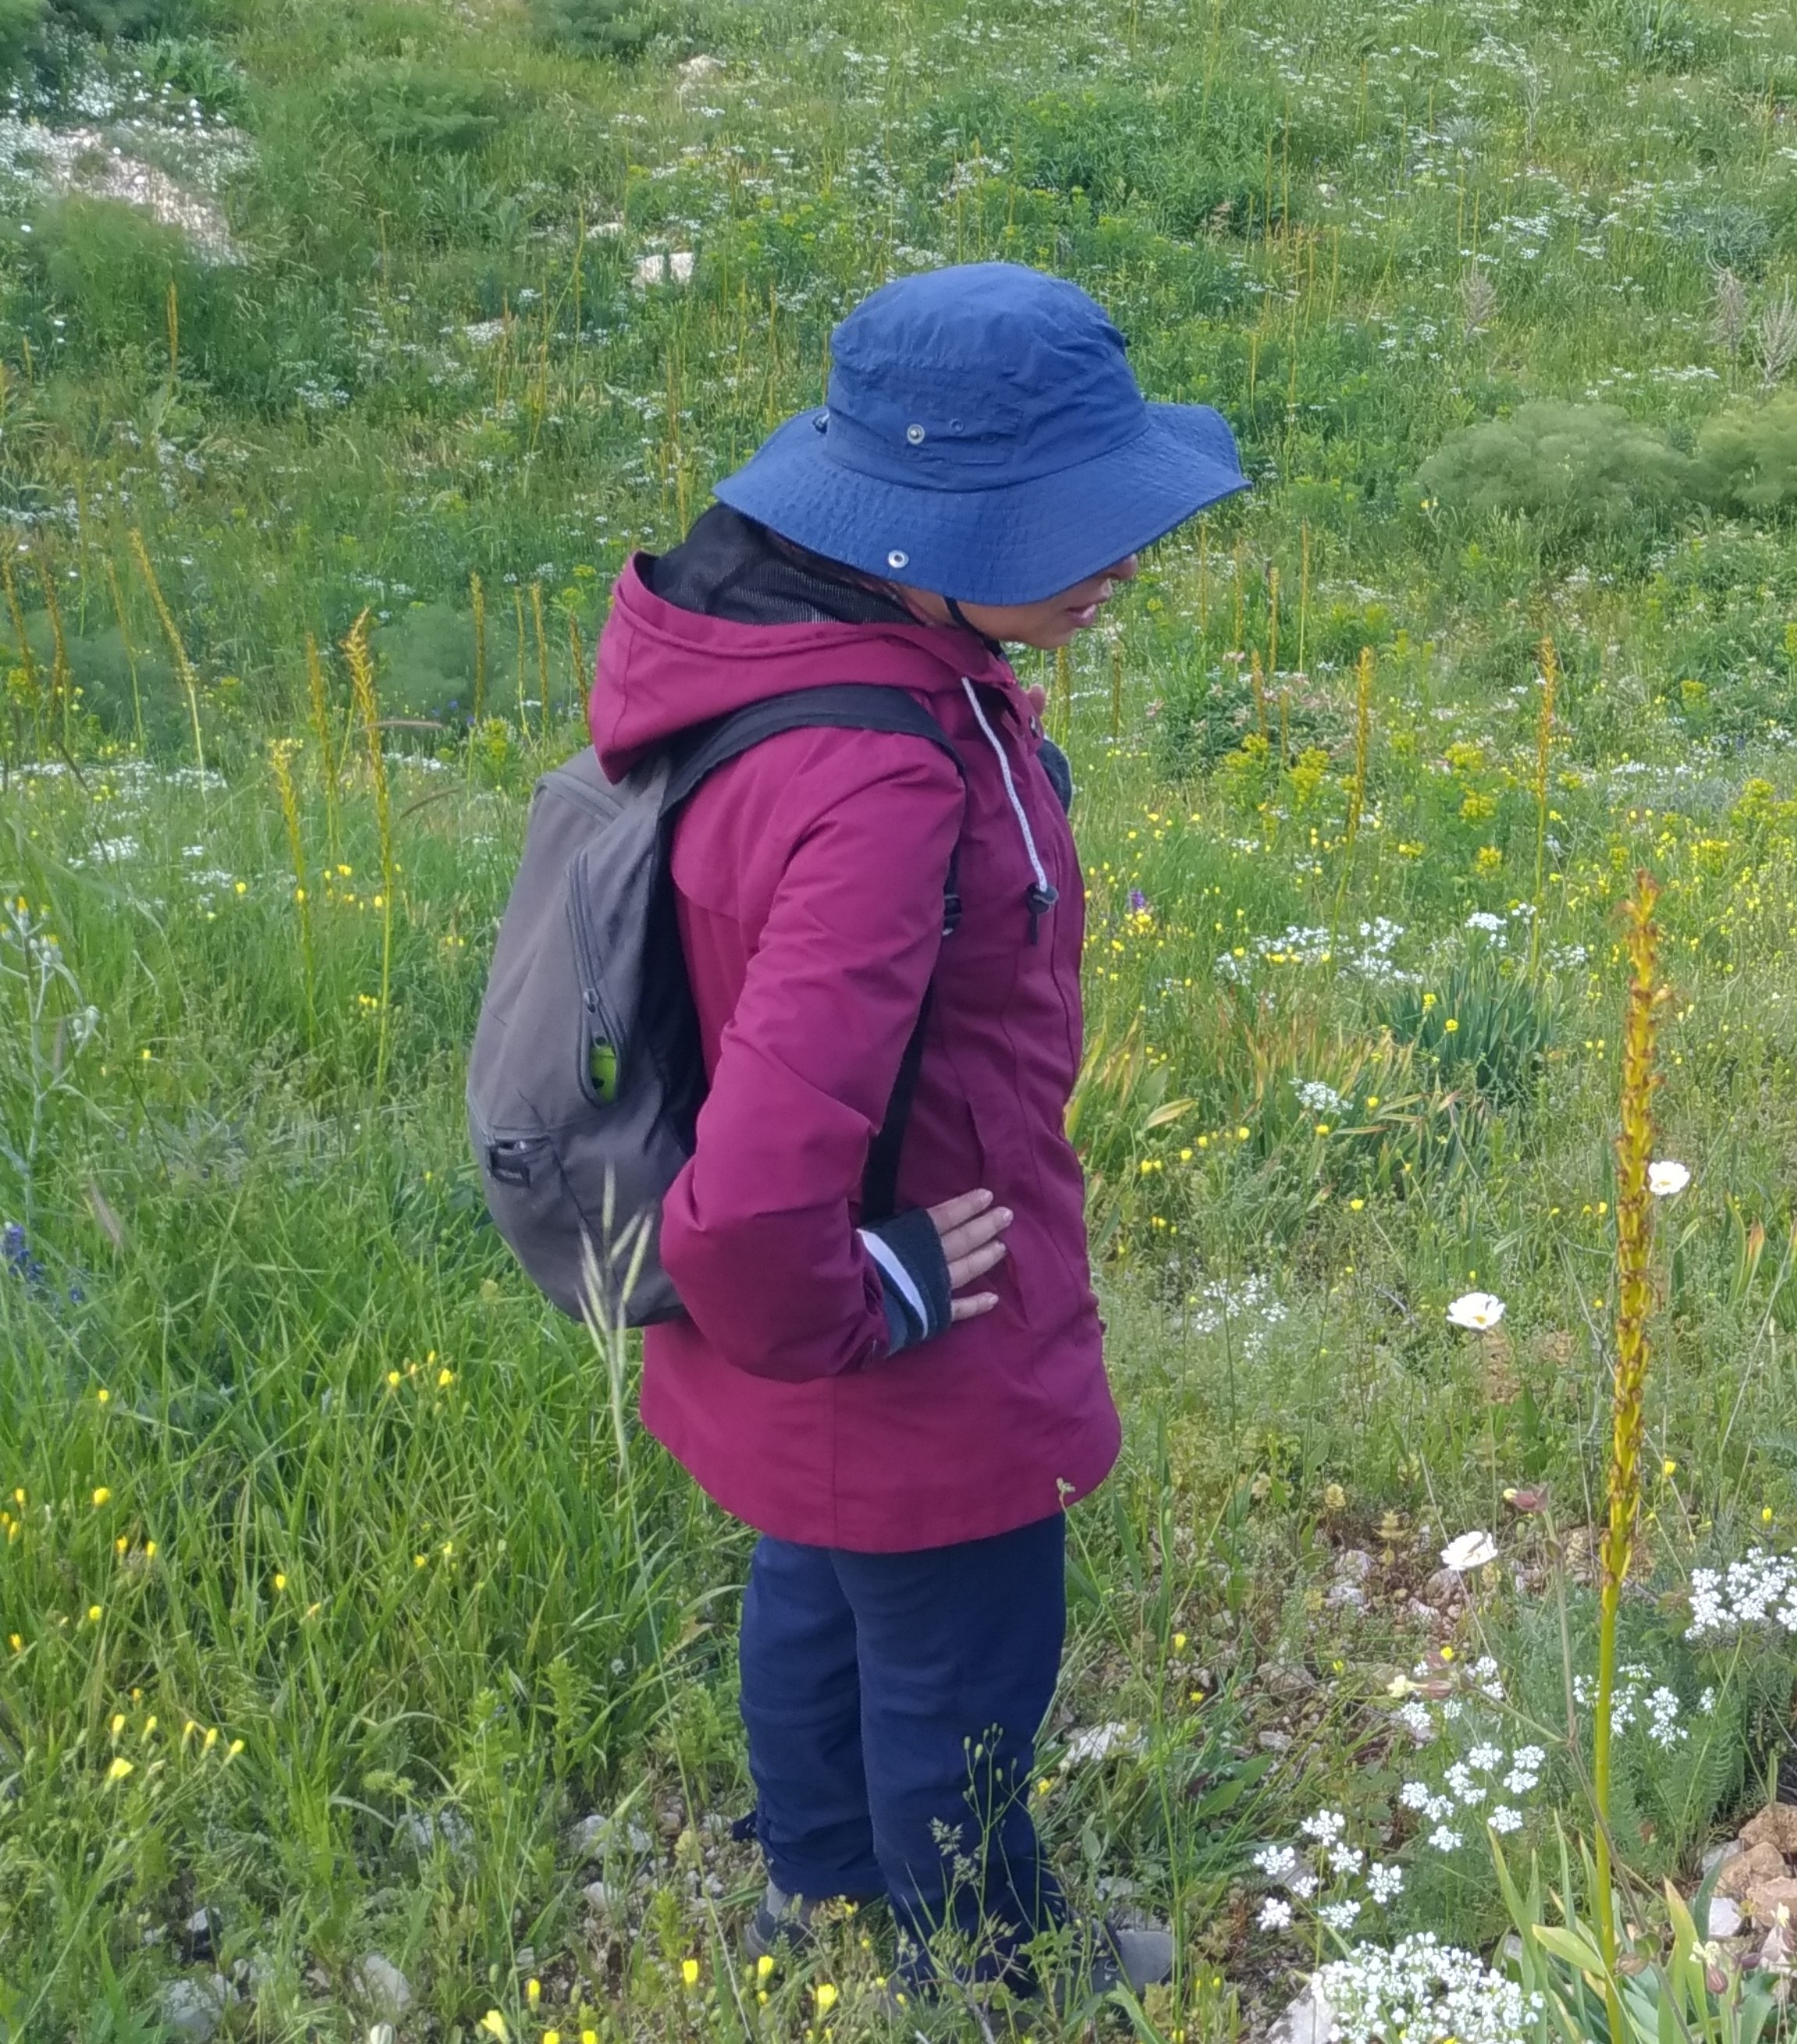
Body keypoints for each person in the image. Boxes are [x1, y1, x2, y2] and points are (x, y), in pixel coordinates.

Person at [584, 262, 1245, 1992]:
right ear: (916, 526)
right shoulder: (881, 775)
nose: (1120, 558)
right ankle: (983, 1965)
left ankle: (815, 1887)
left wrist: (811, 1306)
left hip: (815, 1324)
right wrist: (864, 1294)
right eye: (1063, 522)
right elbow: (748, 1202)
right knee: (962, 1650)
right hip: (904, 1314)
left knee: (814, 1578)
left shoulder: (804, 654)